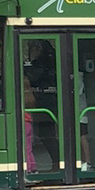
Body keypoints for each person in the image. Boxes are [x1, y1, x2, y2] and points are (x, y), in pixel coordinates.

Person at [24, 40, 59, 172]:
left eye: (32, 47)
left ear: (38, 49)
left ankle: (57, 163)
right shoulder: (51, 60)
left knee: (47, 135)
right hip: (48, 102)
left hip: (45, 104)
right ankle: (57, 163)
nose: (30, 51)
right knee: (45, 135)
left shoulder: (41, 64)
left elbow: (34, 77)